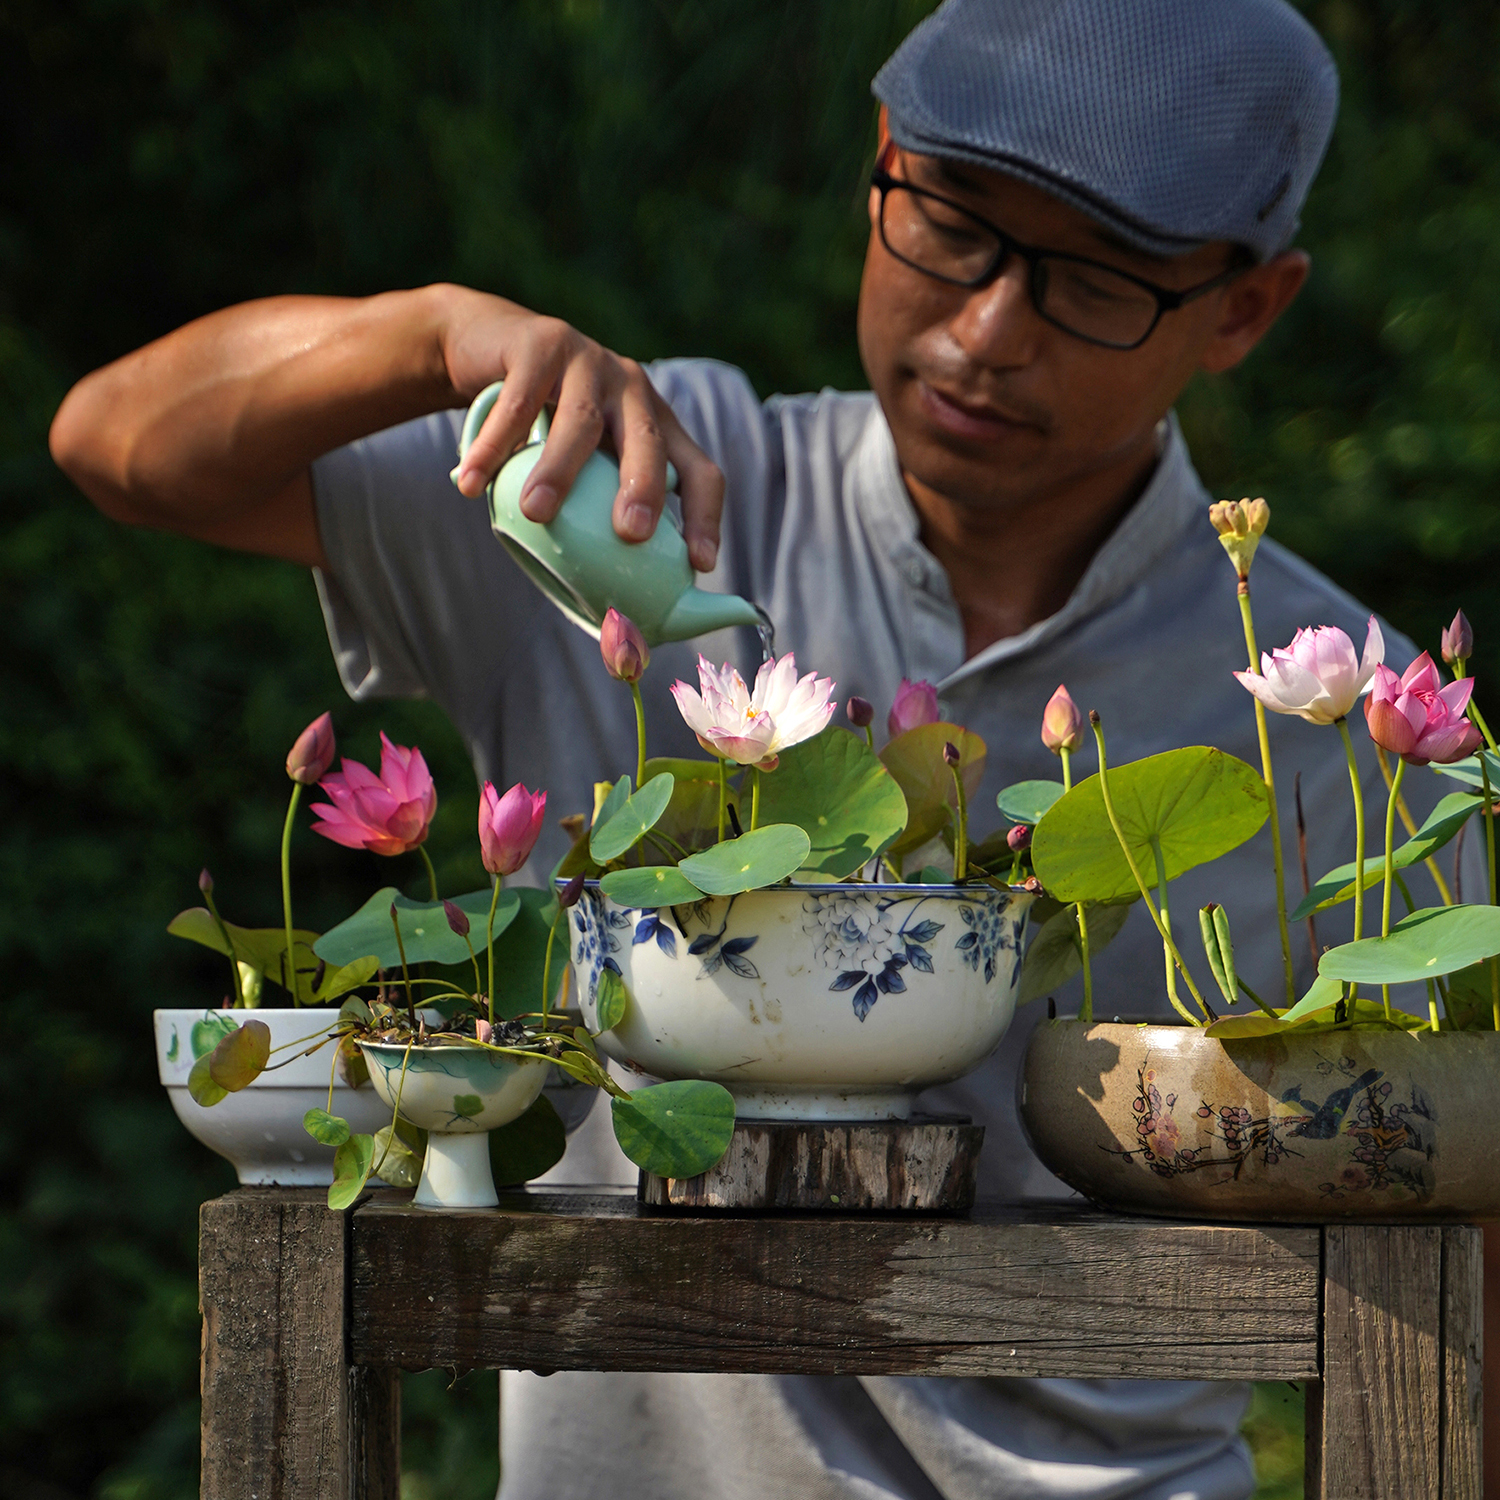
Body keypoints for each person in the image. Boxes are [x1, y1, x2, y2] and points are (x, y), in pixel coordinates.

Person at [52, 2, 1431, 1495]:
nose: (985, 331)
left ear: (1245, 310)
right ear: (879, 170)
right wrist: (439, 337)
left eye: (1096, 284)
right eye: (951, 229)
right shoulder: (642, 494)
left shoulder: (1350, 721)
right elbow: (117, 446)